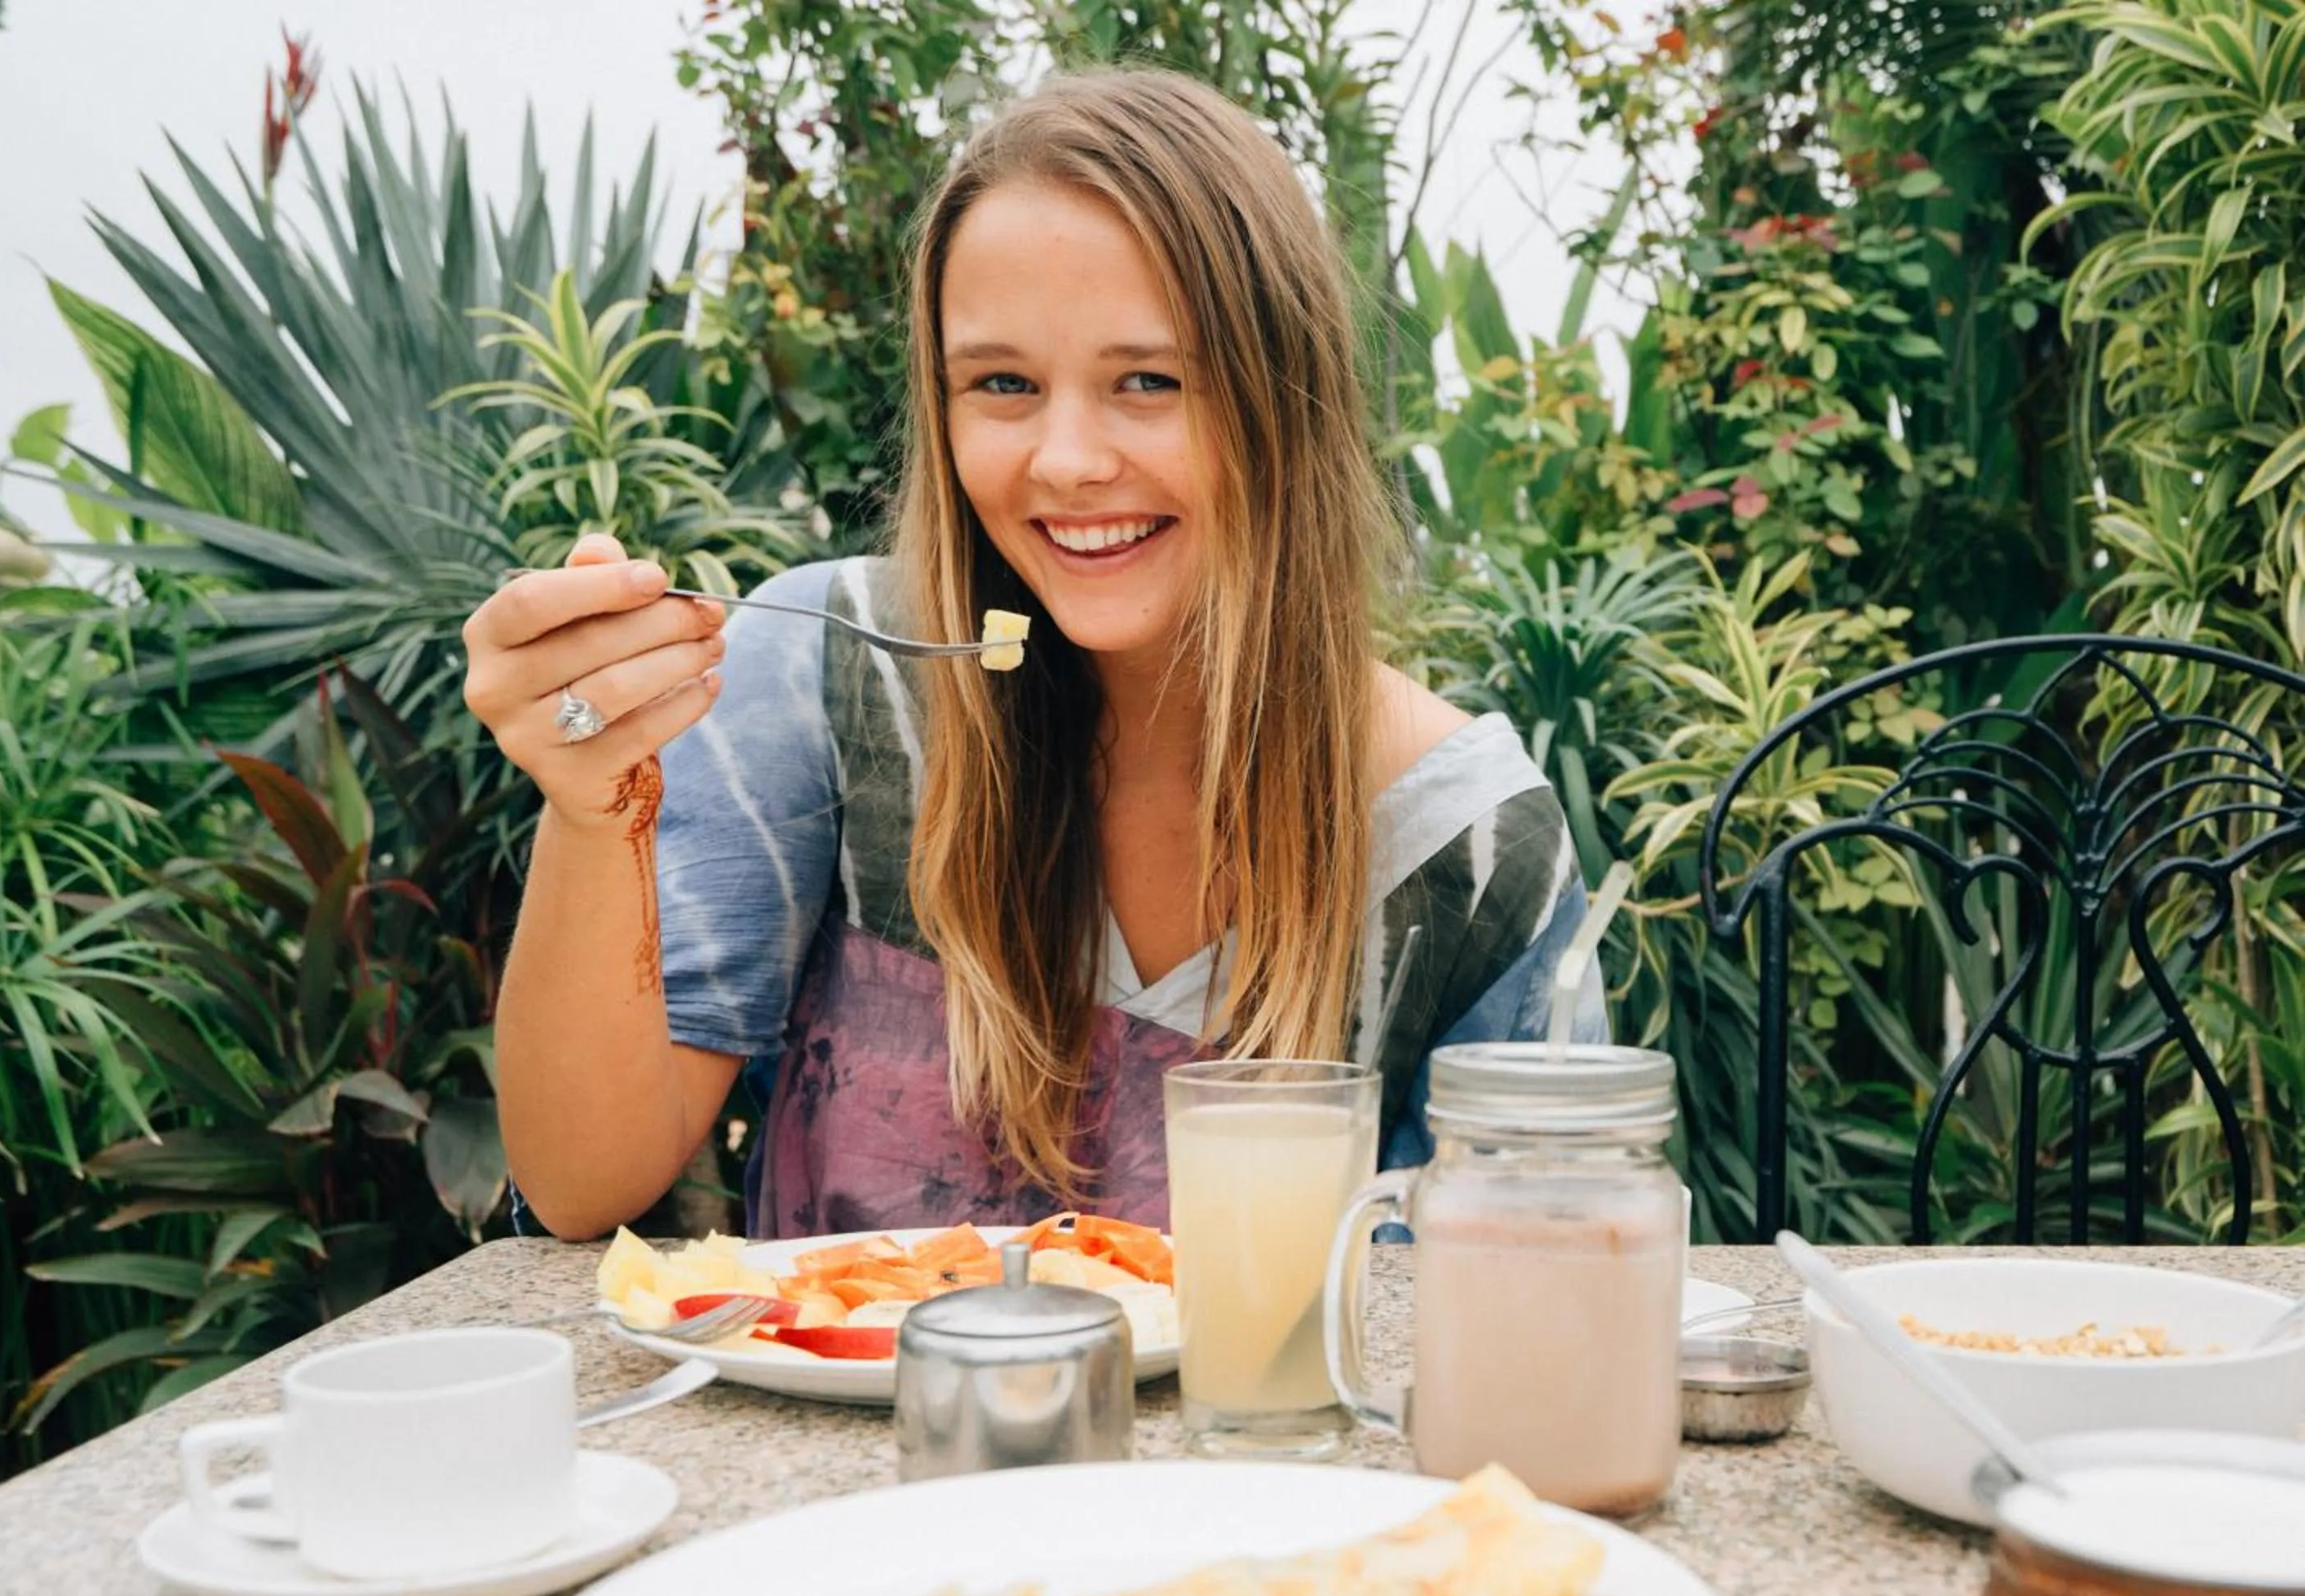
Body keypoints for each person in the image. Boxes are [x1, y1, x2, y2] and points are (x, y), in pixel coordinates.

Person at [461, 69, 1599, 1244]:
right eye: (1002, 383)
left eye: (1148, 381)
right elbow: (580, 1184)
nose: (1066, 461)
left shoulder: (1469, 847)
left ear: (1283, 399)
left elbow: (1537, 1282)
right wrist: (592, 812)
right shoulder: (823, 685)